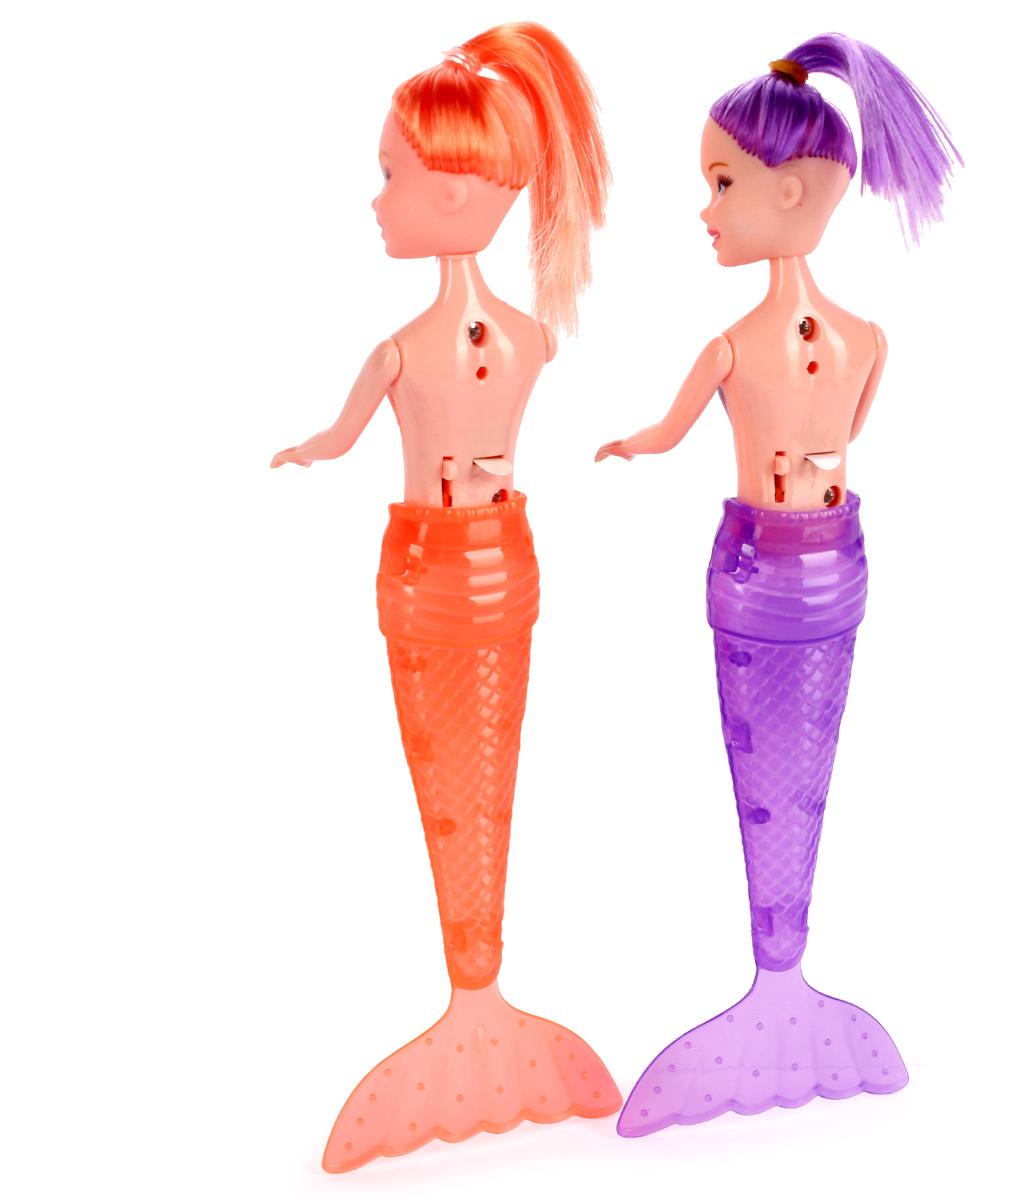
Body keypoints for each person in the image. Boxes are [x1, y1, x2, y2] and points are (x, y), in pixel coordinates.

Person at [597, 32, 961, 1137]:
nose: (705, 211)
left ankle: (780, 973)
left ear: (791, 190)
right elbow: (838, 439)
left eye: (721, 184)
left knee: (786, 777)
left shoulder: (738, 345)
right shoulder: (867, 342)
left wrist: (635, 445)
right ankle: (780, 972)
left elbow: (672, 433)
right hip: (815, 566)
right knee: (786, 779)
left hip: (773, 574)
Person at [272, 22, 618, 1171]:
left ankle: (478, 989)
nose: (376, 201)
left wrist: (314, 450)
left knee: (470, 788)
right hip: (479, 569)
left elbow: (341, 435)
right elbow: (341, 435)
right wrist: (315, 448)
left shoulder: (408, 349)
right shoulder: (527, 339)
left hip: (445, 575)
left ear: (461, 193)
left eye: (390, 175)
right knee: (468, 790)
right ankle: (478, 988)